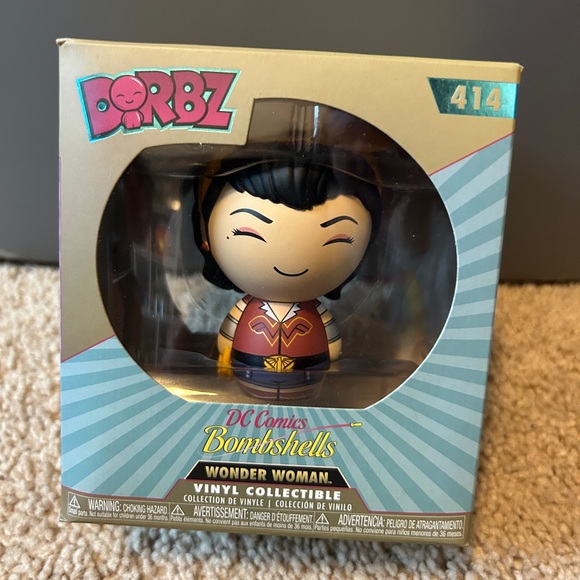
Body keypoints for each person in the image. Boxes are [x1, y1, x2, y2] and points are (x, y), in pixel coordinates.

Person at [193, 158, 382, 398]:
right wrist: (226, 353)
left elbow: (332, 346)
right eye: (250, 233)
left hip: (308, 378)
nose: (292, 258)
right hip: (248, 376)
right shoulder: (252, 309)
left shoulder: (314, 313)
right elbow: (227, 340)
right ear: (207, 236)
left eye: (336, 239)